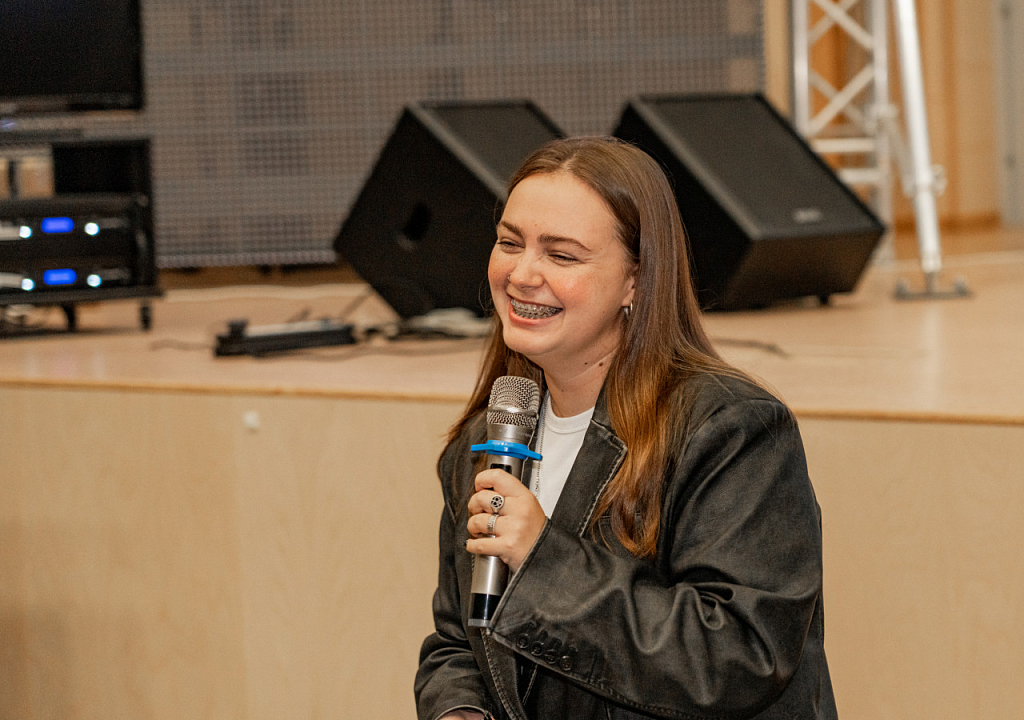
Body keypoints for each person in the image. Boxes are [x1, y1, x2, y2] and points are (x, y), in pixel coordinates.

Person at [415, 136, 837, 720]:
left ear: (635, 281)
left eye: (562, 256)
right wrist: (460, 709)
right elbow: (458, 639)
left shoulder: (731, 431)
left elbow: (741, 656)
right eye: (510, 243)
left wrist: (544, 562)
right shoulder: (486, 440)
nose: (522, 274)